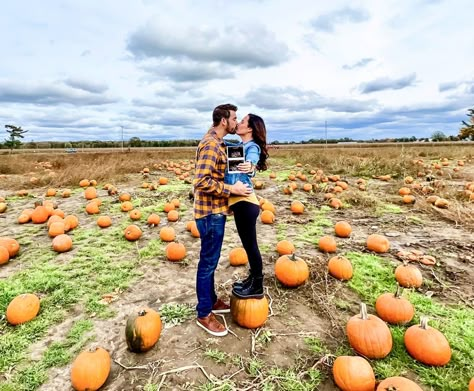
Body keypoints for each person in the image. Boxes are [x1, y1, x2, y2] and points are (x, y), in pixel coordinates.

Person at [193, 103, 252, 337]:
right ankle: (204, 313)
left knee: (211, 261)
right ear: (224, 120)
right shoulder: (210, 145)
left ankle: (212, 300)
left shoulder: (218, 142)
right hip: (210, 214)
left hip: (214, 212)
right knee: (207, 264)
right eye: (234, 118)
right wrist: (232, 189)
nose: (237, 122)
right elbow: (202, 181)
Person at [225, 114, 269, 299]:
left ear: (250, 128)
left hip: (245, 203)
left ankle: (257, 285)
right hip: (239, 202)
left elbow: (251, 161)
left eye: (242, 121)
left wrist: (250, 166)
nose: (239, 123)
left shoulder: (252, 147)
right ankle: (252, 279)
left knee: (251, 246)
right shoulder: (237, 147)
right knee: (247, 244)